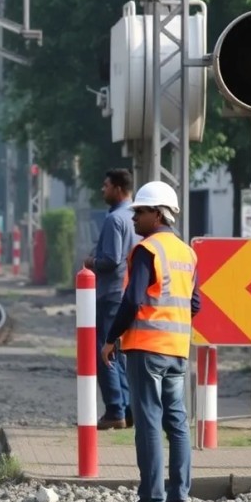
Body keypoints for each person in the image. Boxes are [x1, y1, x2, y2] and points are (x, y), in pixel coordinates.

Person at [100, 180, 200, 502]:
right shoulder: (187, 252)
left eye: (139, 212)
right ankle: (178, 501)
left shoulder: (148, 250)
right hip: (177, 350)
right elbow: (195, 303)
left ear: (158, 214)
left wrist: (111, 337)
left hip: (146, 349)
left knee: (148, 423)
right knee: (177, 423)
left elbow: (133, 299)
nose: (133, 218)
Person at [83, 169, 140, 430]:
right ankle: (128, 409)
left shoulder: (115, 220)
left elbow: (112, 260)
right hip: (128, 292)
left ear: (118, 188)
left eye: (105, 185)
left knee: (104, 351)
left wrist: (91, 262)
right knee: (120, 352)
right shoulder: (137, 216)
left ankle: (114, 409)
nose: (102, 190)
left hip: (111, 293)